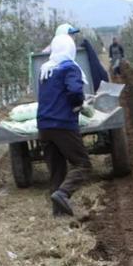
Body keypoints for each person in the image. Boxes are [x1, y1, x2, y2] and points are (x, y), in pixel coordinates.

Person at [37, 34, 92, 216]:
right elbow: (75, 90)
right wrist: (78, 104)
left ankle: (58, 213)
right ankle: (63, 193)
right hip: (63, 124)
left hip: (44, 126)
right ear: (70, 49)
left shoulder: (46, 69)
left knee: (57, 169)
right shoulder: (69, 68)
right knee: (82, 164)